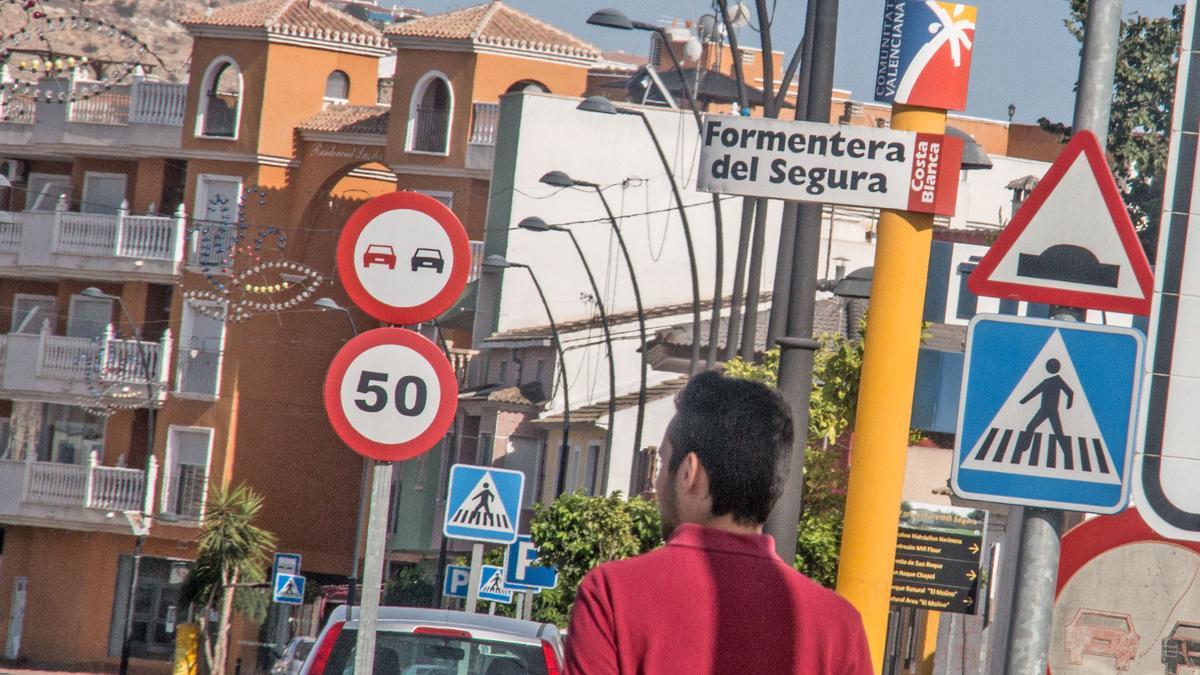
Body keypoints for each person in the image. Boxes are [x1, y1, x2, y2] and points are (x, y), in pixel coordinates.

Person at [566, 371, 873, 674]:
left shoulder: (612, 594)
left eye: (662, 461)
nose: (657, 481)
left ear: (689, 471)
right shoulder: (839, 628)